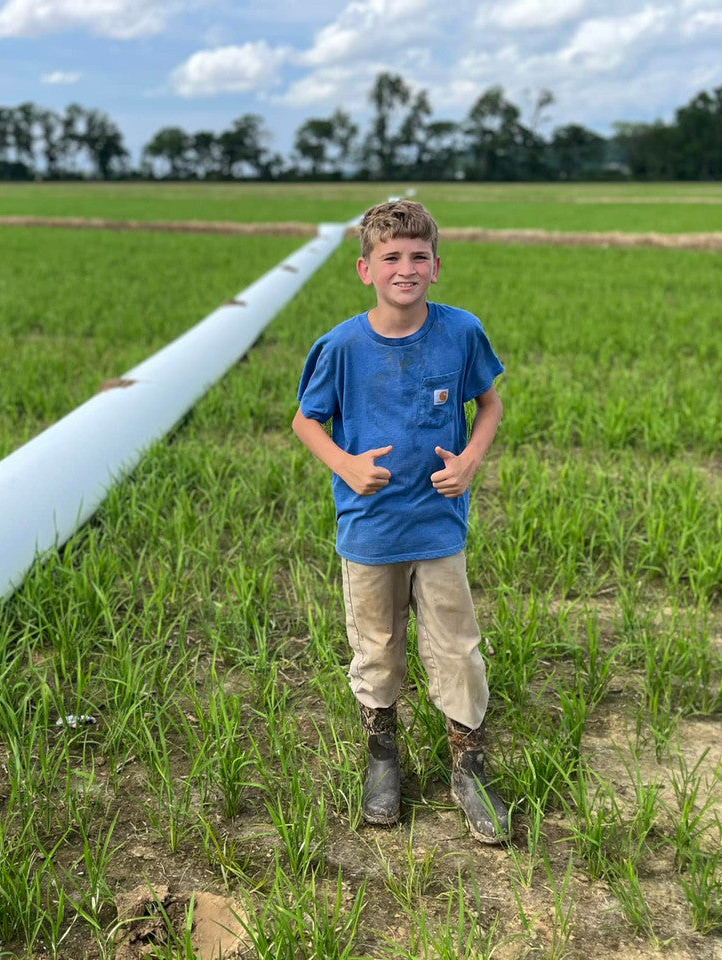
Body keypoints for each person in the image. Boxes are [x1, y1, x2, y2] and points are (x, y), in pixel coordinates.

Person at [291, 199, 509, 843]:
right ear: (366, 270)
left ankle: (469, 767)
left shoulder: (461, 332)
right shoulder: (341, 346)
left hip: (437, 526)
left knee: (458, 648)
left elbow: (490, 404)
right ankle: (383, 758)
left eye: (418, 256)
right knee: (377, 647)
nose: (405, 268)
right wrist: (345, 465)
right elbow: (306, 420)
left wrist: (469, 461)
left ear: (437, 266)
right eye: (391, 257)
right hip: (370, 529)